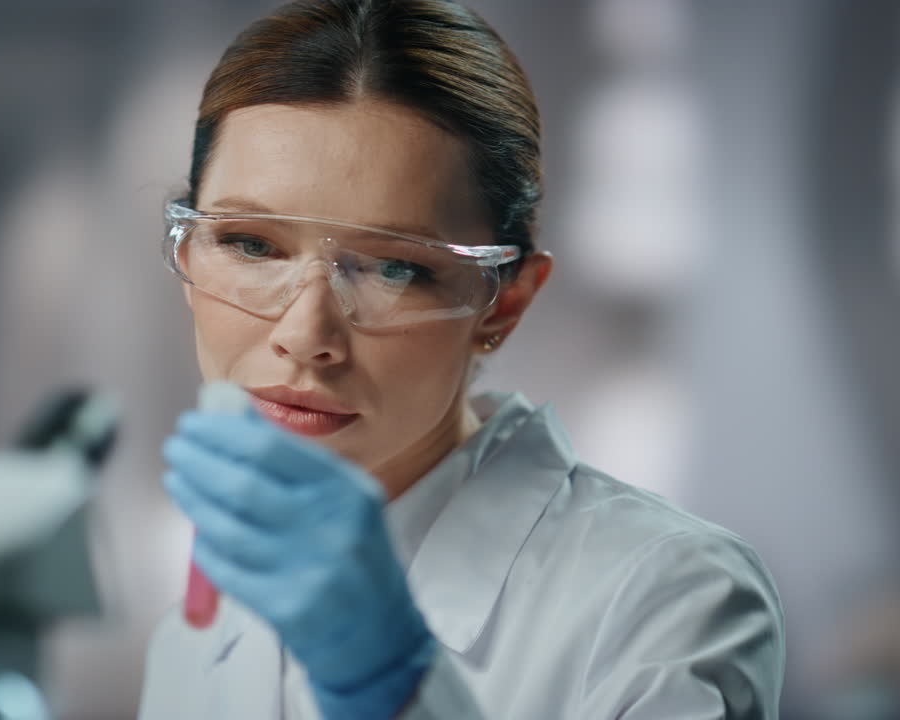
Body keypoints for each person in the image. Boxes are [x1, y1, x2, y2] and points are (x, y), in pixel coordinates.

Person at [140, 0, 784, 717]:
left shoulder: (666, 598)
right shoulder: (199, 630)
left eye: (394, 269)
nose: (305, 333)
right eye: (252, 245)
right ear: (189, 251)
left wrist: (389, 682)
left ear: (504, 304)